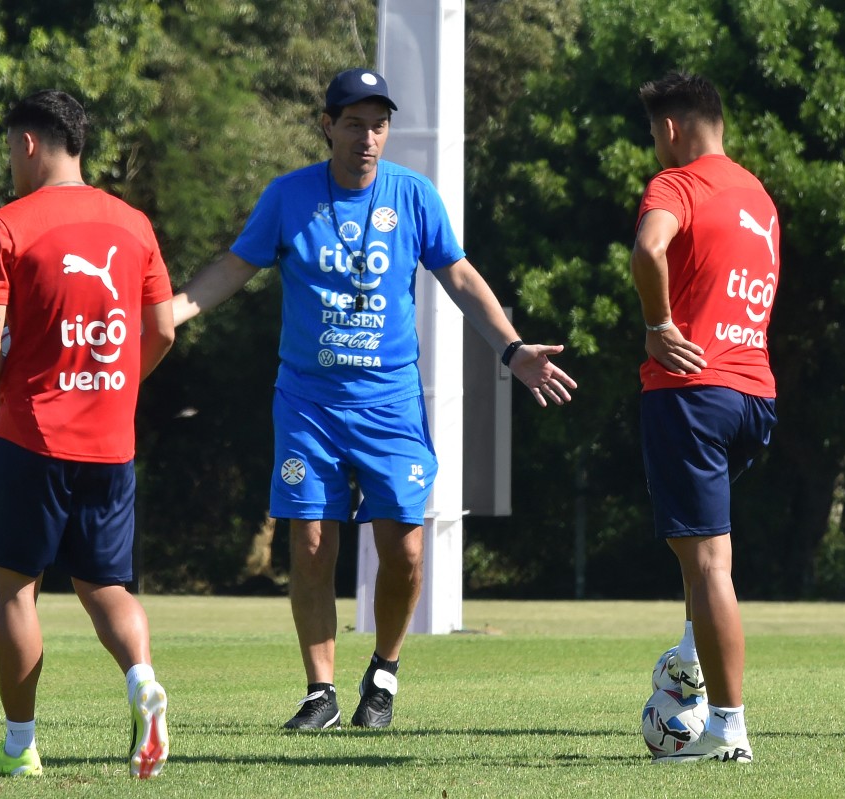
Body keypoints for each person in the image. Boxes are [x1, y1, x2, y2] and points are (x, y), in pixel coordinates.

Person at [171, 68, 576, 730]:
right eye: (354, 123)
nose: (368, 137)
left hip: (390, 402)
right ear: (326, 125)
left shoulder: (413, 196)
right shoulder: (288, 196)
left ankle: (383, 673)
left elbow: (463, 277)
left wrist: (512, 348)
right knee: (308, 542)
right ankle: (319, 692)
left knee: (406, 550)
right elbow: (234, 266)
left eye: (379, 124)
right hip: (307, 401)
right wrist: (173, 311)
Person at [0, 90, 174, 777]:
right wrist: (119, 389)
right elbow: (163, 328)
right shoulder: (135, 224)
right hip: (112, 444)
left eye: (9, 149)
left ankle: (20, 745)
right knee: (106, 584)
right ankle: (141, 678)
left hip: (30, 436)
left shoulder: (4, 225)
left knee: (17, 589)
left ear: (28, 143)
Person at [629, 71, 780, 764]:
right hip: (756, 397)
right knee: (700, 550)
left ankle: (726, 728)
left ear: (670, 129)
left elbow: (649, 248)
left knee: (708, 562)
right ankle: (691, 654)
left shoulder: (676, 185)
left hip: (693, 391)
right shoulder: (759, 196)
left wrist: (658, 322)